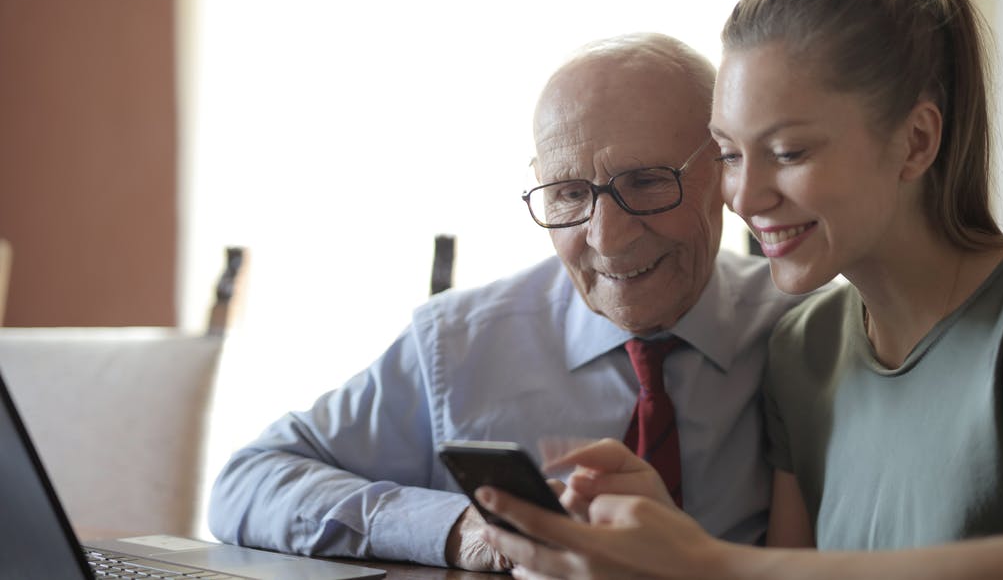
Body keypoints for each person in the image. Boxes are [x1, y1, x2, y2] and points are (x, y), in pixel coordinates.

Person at [477, 0, 1003, 579]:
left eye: (788, 151)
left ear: (916, 140)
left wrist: (706, 559)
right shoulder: (803, 346)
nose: (744, 197)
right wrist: (662, 540)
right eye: (732, 154)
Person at [207, 32, 802, 571]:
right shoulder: (458, 344)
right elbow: (247, 482)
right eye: (569, 193)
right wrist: (460, 528)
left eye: (646, 182)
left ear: (726, 171)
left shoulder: (809, 336)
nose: (606, 237)